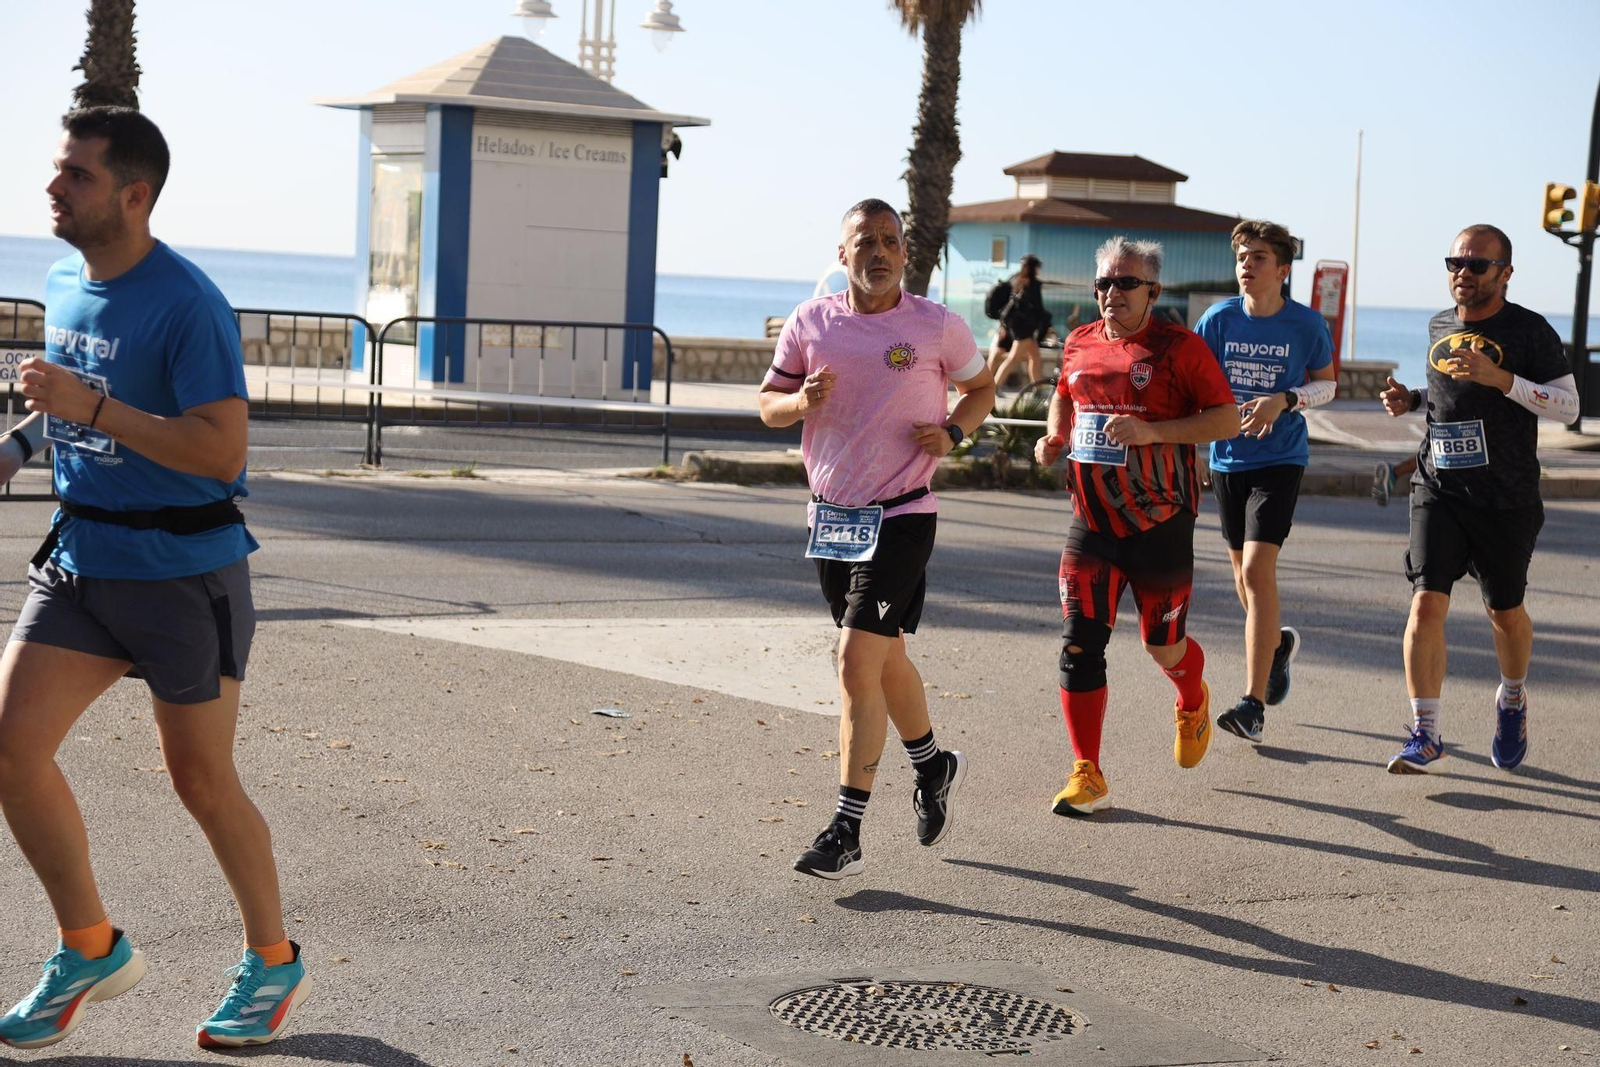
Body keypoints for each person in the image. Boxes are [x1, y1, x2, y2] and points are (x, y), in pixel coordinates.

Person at [0, 107, 306, 1050]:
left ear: (134, 195)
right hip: (84, 560)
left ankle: (273, 957)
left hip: (183, 571)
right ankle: (89, 944)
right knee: (10, 750)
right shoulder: (63, 280)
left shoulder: (188, 303)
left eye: (76, 177)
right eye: (57, 172)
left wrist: (90, 401)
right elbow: (75, 411)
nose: (54, 189)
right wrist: (18, 441)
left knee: (202, 779)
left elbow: (221, 451)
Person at [757, 198, 995, 878]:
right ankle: (934, 764)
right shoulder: (812, 322)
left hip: (904, 514)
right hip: (834, 519)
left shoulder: (933, 326)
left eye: (891, 240)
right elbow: (767, 403)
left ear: (904, 254)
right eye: (866, 241)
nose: (880, 251)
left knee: (854, 661)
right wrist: (801, 402)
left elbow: (982, 389)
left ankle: (847, 829)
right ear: (844, 255)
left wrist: (953, 432)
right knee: (883, 660)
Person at [1034, 236, 1238, 815]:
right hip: (1091, 522)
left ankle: (1192, 698)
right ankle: (1087, 772)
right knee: (1079, 644)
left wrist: (1152, 433)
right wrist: (1054, 437)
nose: (1112, 293)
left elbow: (1224, 418)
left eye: (1126, 283)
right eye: (1104, 282)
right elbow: (1064, 397)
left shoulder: (1180, 347)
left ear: (1154, 290)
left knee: (1162, 645)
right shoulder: (1078, 342)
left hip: (1160, 522)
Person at [1378, 224, 1577, 774]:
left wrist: (1502, 378)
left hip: (1506, 497)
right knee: (1425, 602)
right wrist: (1411, 398)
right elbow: (1448, 392)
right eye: (1453, 263)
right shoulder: (1439, 324)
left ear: (1505, 273)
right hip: (1438, 486)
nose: (1461, 274)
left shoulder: (1530, 331)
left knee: (1504, 612)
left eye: (1476, 265)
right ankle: (1426, 733)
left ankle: (1512, 698)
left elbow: (1568, 408)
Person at [1196, 221, 1338, 743]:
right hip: (1227, 460)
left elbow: (1327, 386)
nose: (1246, 265)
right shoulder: (1218, 319)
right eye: (1241, 256)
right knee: (1243, 582)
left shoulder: (1306, 325)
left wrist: (1286, 399)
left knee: (1257, 572)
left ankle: (1253, 704)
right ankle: (1276, 646)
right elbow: (1195, 383)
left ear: (1282, 270)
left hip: (1280, 460)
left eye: (1258, 257)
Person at [987, 254, 1050, 393]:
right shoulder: (1032, 284)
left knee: (1035, 357)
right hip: (1024, 330)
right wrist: (1045, 322)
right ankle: (995, 387)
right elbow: (1038, 307)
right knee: (1013, 358)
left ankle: (1037, 389)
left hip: (1016, 327)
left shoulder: (1016, 280)